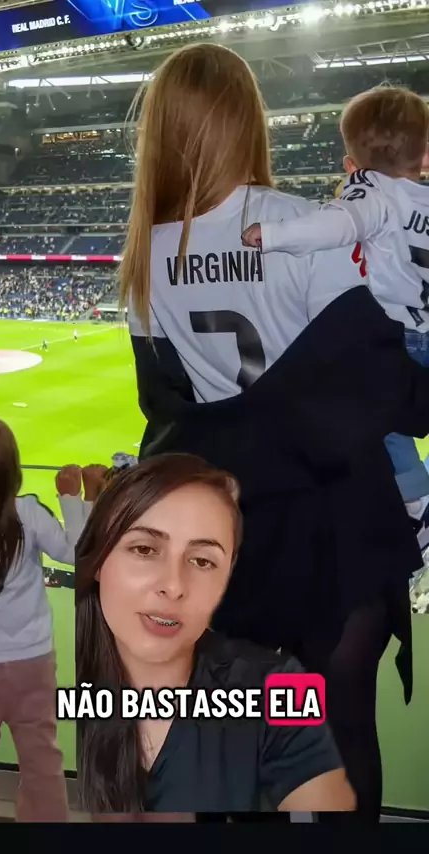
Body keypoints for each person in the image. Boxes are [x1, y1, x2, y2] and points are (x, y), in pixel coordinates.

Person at [120, 43, 429, 822]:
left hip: (230, 536)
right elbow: (393, 393)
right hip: (334, 527)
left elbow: (164, 409)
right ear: (246, 121)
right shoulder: (299, 224)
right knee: (342, 738)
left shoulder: (147, 253)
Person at [76, 454, 355, 818]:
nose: (174, 586)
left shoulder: (276, 689)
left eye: (202, 561)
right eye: (144, 549)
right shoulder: (48, 677)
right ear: (98, 559)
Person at [242, 87, 429, 546]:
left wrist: (275, 234)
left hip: (396, 339)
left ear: (351, 163)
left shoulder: (372, 190)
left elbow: (338, 224)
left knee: (375, 420)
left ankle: (416, 503)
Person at [0, 404, 93, 822]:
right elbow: (77, 553)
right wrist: (75, 498)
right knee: (42, 761)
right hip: (31, 662)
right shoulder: (27, 513)